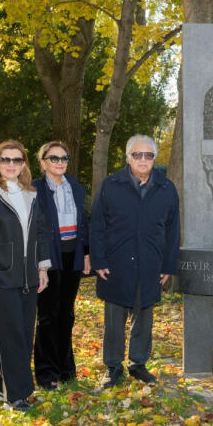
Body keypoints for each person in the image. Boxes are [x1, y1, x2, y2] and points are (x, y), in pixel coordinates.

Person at [0, 140, 51, 411]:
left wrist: (42, 267)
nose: (11, 165)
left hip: (28, 277)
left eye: (16, 160)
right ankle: (17, 395)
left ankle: (0, 386)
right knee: (9, 335)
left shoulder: (31, 194)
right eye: (6, 160)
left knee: (24, 334)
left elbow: (40, 232)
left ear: (24, 164)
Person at [91, 135, 180, 388]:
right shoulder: (111, 185)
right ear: (128, 157)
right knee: (114, 319)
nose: (142, 160)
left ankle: (138, 364)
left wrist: (168, 266)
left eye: (148, 155)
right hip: (115, 263)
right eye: (137, 155)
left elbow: (173, 231)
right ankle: (112, 366)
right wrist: (98, 260)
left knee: (144, 316)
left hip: (151, 263)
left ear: (154, 159)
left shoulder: (166, 188)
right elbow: (97, 226)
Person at [32, 141, 90, 389]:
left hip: (72, 258)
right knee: (48, 316)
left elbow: (83, 224)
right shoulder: (34, 189)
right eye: (53, 158)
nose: (59, 162)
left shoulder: (75, 188)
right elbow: (33, 227)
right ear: (43, 162)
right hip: (48, 258)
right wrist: (39, 262)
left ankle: (66, 368)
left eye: (64, 158)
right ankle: (46, 373)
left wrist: (86, 254)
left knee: (66, 315)